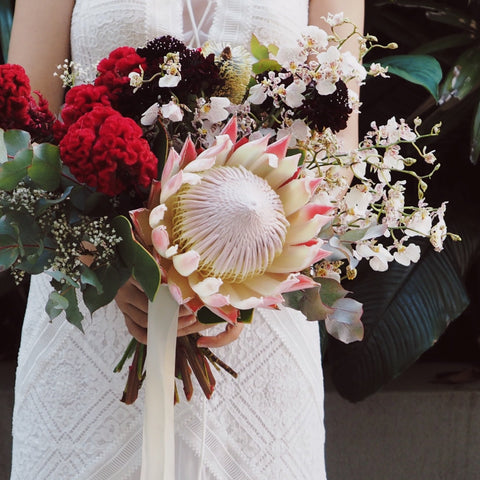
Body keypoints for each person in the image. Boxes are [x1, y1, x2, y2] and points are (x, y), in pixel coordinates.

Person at [8, 1, 364, 479]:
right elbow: (20, 124)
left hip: (256, 313)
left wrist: (246, 290)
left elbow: (336, 154)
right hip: (90, 303)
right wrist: (110, 262)